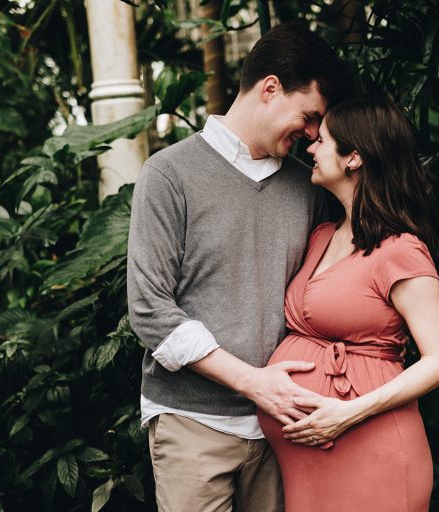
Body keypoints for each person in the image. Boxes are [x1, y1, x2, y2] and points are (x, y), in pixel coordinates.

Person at [126, 23, 347, 512]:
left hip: (285, 430)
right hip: (192, 423)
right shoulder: (168, 173)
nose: (314, 134)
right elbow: (148, 310)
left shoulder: (309, 187)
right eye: (309, 116)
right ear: (270, 88)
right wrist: (254, 382)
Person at [257, 96, 439, 512]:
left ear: (354, 158)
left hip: (371, 450)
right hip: (306, 467)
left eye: (322, 141)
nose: (310, 147)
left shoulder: (401, 250)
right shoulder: (322, 236)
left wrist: (347, 413)